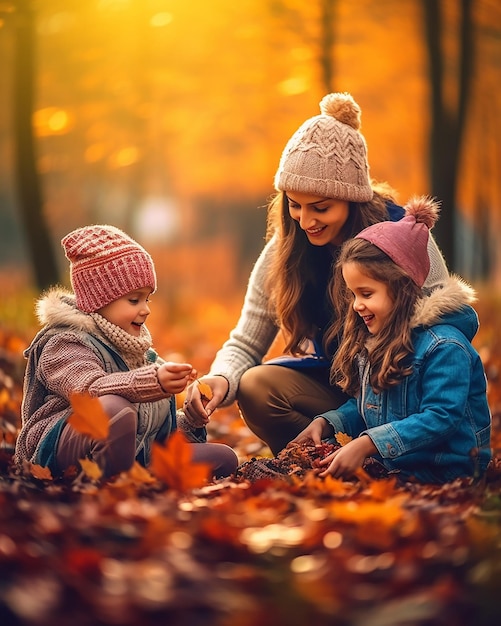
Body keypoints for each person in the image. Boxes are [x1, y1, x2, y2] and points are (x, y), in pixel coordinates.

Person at [182, 92, 450, 455]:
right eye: (295, 205)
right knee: (256, 385)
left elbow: (444, 323)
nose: (306, 221)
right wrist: (220, 379)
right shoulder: (287, 245)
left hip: (402, 389)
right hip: (340, 391)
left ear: (351, 197)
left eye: (320, 208)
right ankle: (323, 457)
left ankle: (386, 453)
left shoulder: (403, 233)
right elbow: (247, 339)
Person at [292, 196, 491, 483]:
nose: (356, 305)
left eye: (367, 294)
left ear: (402, 291)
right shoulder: (377, 341)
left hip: (447, 470)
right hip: (398, 461)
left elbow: (440, 417)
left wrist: (367, 444)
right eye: (353, 294)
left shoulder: (445, 347)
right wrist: (327, 423)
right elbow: (371, 408)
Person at [14, 225, 238, 479]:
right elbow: (90, 390)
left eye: (147, 299)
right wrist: (154, 382)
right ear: (97, 301)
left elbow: (150, 428)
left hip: (134, 455)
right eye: (134, 300)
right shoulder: (64, 343)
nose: (145, 310)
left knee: (224, 459)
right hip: (60, 451)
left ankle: (139, 479)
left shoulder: (140, 354)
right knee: (115, 410)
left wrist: (191, 418)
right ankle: (111, 489)